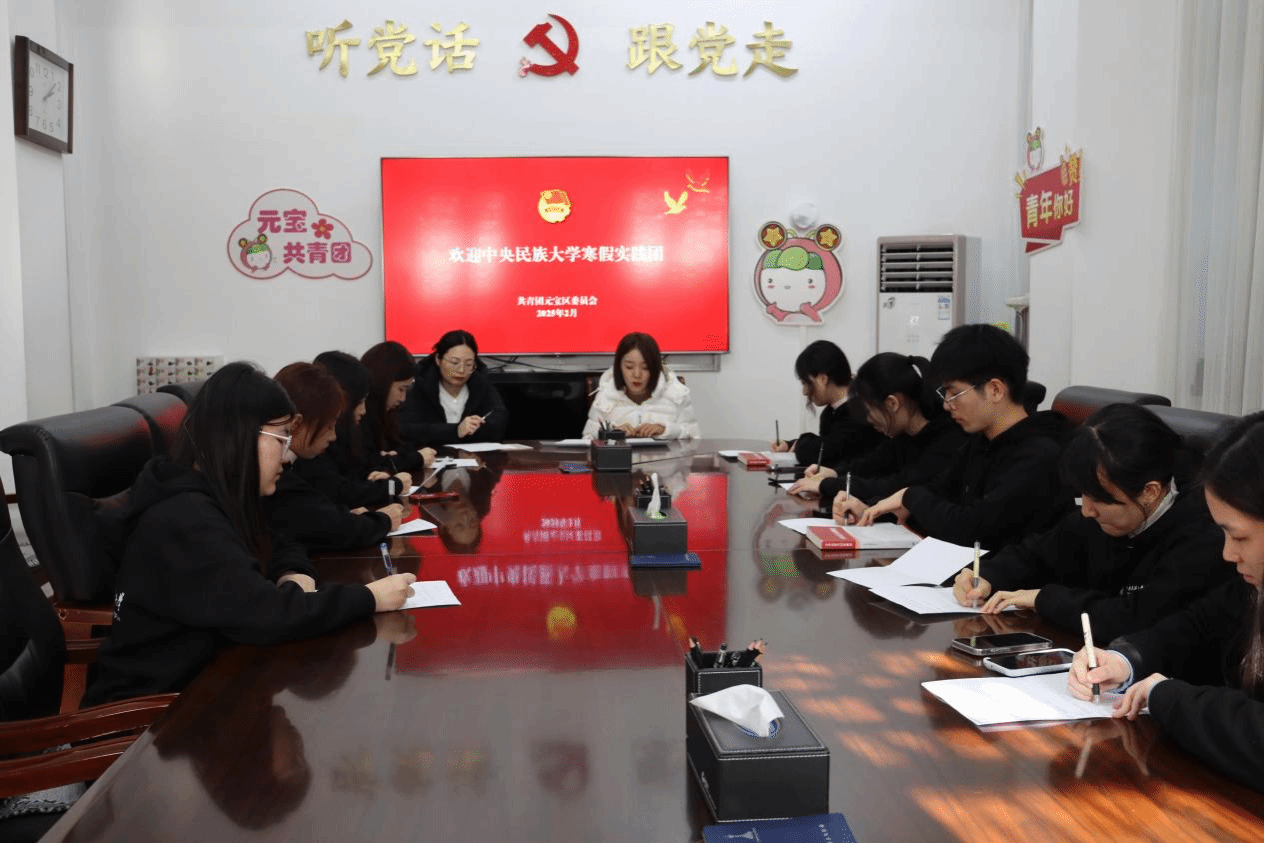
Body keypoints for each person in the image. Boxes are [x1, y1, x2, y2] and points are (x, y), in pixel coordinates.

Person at [83, 362, 415, 705]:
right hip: (151, 716)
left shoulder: (220, 496)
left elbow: (280, 540)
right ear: (240, 435)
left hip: (210, 684)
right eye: (281, 438)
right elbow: (266, 615)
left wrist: (292, 572)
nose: (286, 456)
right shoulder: (187, 519)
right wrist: (369, 598)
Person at [1068, 411, 1264, 791]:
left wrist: (1167, 697)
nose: (1227, 554)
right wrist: (1125, 660)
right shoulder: (1251, 585)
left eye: (1239, 537)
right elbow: (1198, 624)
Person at [952, 403, 1229, 642]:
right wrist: (986, 575)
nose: (1086, 511)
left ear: (1150, 492)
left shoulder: (1203, 534)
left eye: (1098, 499)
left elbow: (1136, 618)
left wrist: (1043, 599)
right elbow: (1036, 554)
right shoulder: (1100, 512)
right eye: (1082, 494)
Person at [856, 323, 1071, 551]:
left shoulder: (1038, 457)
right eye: (945, 393)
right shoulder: (981, 441)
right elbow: (938, 492)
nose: (946, 405)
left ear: (995, 390)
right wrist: (872, 509)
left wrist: (911, 497)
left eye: (954, 393)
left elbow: (971, 530)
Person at [788, 352, 966, 509]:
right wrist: (833, 473)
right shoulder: (904, 436)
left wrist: (827, 485)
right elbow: (869, 465)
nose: (867, 419)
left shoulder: (948, 440)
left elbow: (896, 486)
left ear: (892, 403)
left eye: (869, 410)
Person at [264, 362, 409, 551]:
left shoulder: (296, 461)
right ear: (299, 423)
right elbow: (328, 520)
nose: (333, 436)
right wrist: (384, 519)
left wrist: (343, 516)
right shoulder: (279, 473)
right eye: (330, 425)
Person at [294, 351, 411, 510]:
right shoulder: (311, 447)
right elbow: (341, 492)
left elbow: (362, 468)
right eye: (360, 402)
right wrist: (393, 485)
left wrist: (374, 476)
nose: (364, 411)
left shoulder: (346, 434)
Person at [771, 340, 881, 467]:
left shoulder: (859, 411)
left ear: (823, 379)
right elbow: (829, 445)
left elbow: (822, 453)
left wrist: (800, 443)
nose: (804, 391)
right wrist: (790, 445)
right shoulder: (831, 411)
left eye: (806, 382)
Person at [399, 329, 508, 446]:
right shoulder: (419, 385)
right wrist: (455, 431)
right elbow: (408, 430)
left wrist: (472, 429)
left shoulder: (481, 384)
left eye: (468, 364)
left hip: (472, 455)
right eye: (454, 362)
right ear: (438, 359)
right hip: (431, 455)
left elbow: (498, 423)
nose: (461, 370)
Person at [582, 332, 699, 439]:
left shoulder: (676, 394)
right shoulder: (606, 395)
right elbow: (587, 438)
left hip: (665, 456)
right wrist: (612, 433)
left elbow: (695, 438)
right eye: (629, 367)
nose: (637, 374)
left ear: (656, 368)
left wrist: (666, 430)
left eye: (645, 367)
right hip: (620, 456)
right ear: (619, 368)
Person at [360, 341, 436, 475]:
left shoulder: (387, 413)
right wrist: (415, 459)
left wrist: (396, 456)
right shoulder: (359, 417)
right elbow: (366, 466)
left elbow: (399, 447)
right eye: (401, 389)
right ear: (383, 383)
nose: (403, 398)